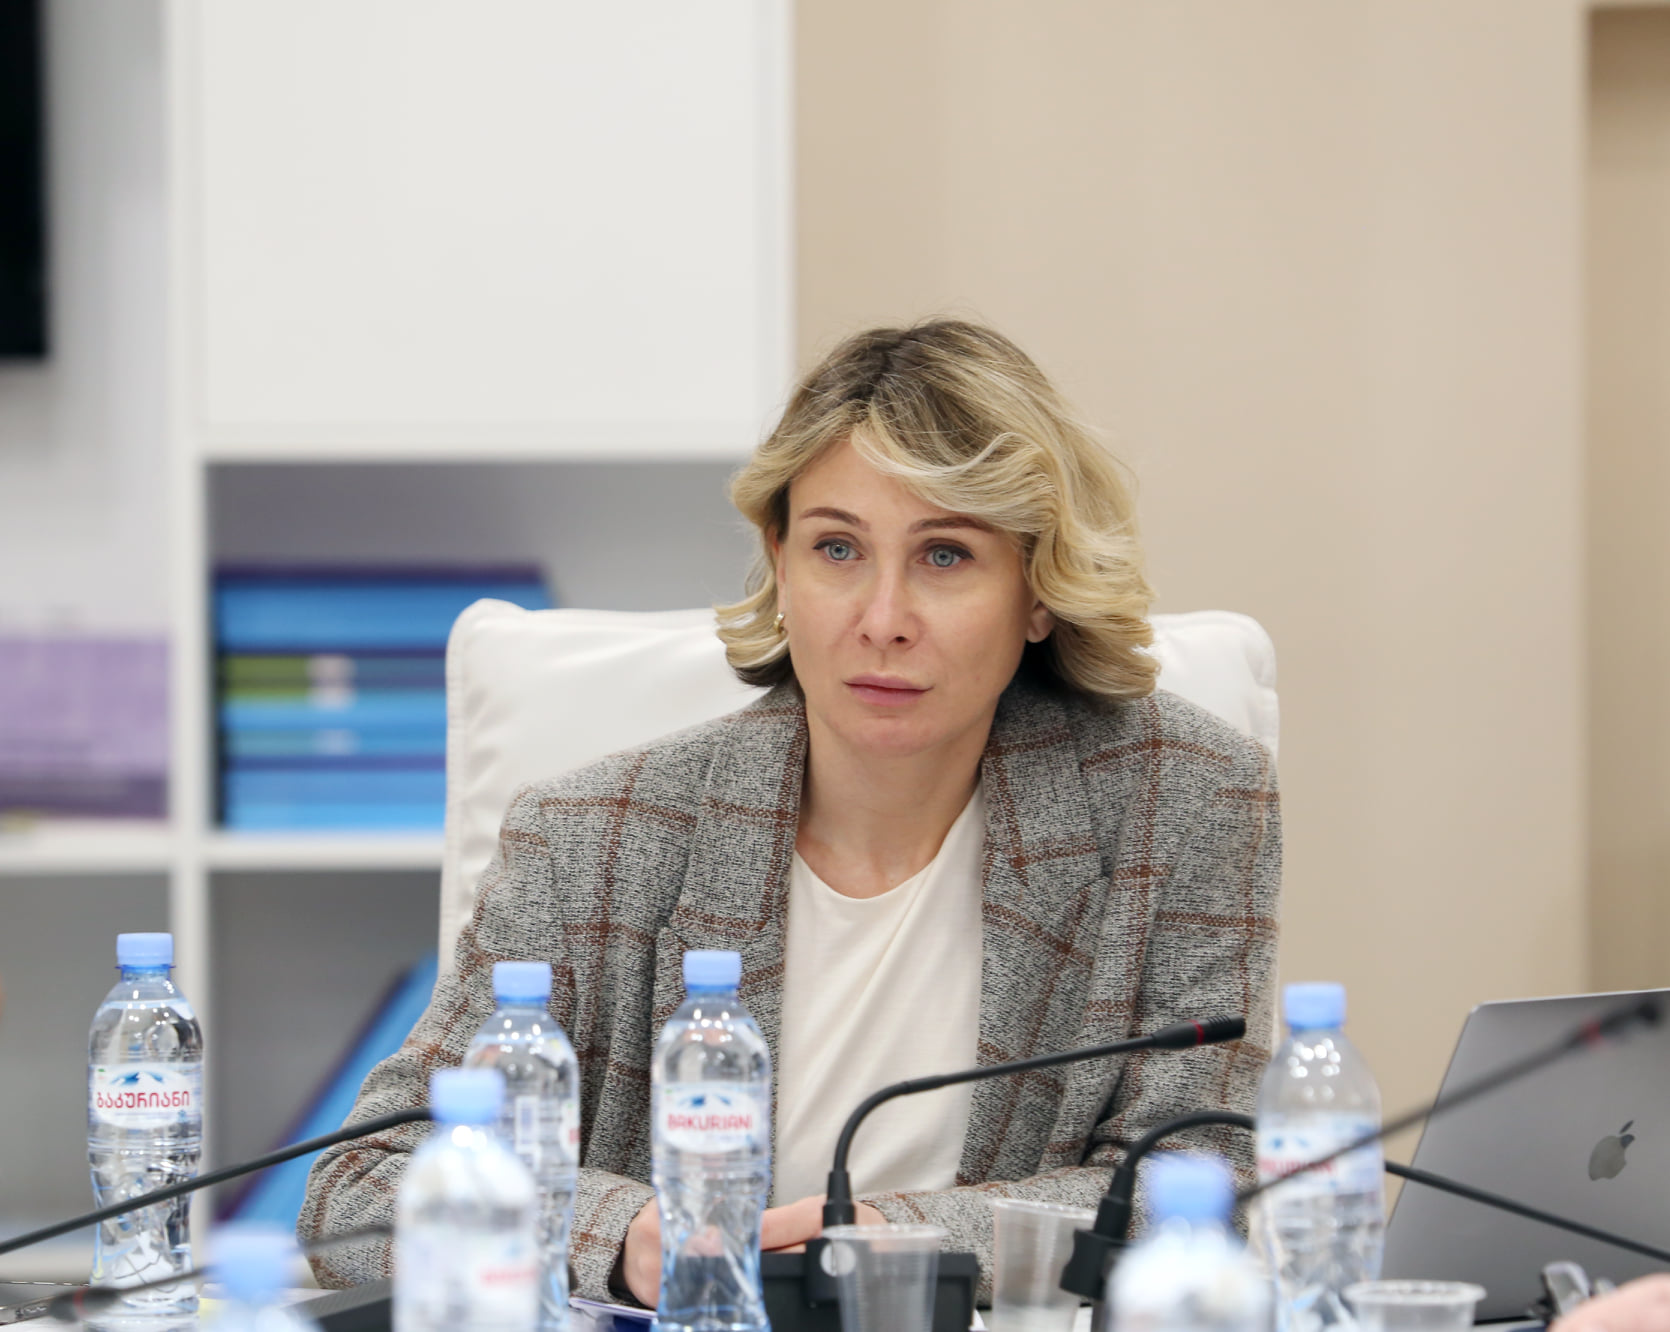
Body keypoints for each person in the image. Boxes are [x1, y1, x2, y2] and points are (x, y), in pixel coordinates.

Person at [298, 320, 1281, 1305]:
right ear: (780, 563)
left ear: (1037, 588)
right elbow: (362, 1192)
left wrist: (893, 1241)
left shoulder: (1184, 799)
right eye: (836, 548)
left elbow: (1198, 1189)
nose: (882, 619)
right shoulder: (591, 840)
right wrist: (622, 1238)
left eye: (944, 556)